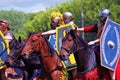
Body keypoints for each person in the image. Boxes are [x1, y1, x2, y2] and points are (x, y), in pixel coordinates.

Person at [77, 8, 113, 79]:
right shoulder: (99, 25)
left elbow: (106, 39)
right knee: (90, 51)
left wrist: (94, 41)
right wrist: (78, 30)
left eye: (102, 17)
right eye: (100, 17)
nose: (100, 18)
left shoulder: (110, 26)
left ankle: (110, 75)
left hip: (108, 49)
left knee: (105, 59)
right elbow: (88, 29)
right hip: (98, 47)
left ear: (106, 17)